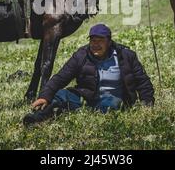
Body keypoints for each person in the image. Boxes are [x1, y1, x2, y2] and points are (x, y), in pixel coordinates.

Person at [23, 23, 155, 126]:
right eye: (93, 41)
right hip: (87, 98)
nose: (95, 45)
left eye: (100, 41)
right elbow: (61, 77)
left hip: (113, 99)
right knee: (61, 95)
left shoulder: (126, 56)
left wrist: (147, 104)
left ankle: (85, 113)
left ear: (109, 42)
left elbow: (142, 81)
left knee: (113, 103)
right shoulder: (81, 55)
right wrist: (45, 96)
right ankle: (37, 118)